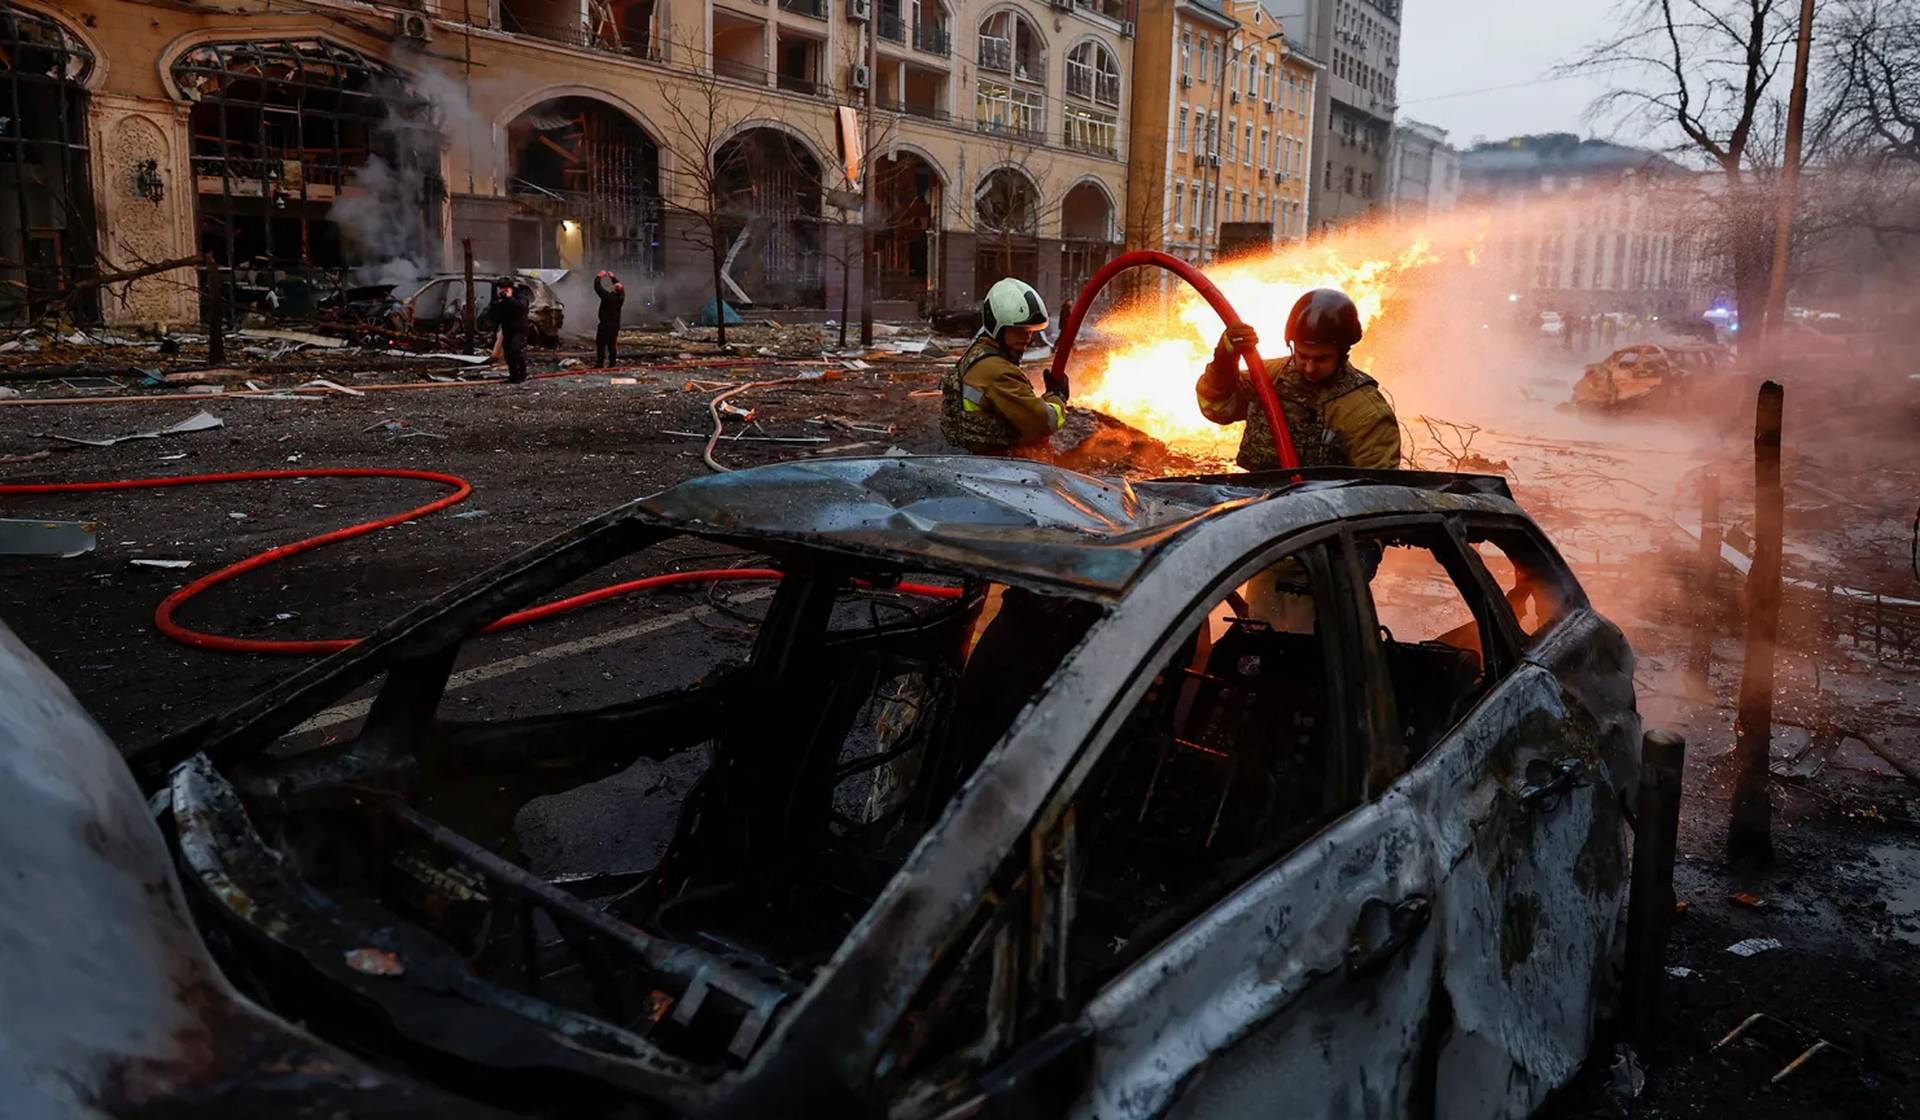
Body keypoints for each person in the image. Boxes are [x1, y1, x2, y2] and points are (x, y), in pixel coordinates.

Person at [1195, 288, 1400, 472]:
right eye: (1302, 355)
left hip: (1324, 512)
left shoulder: (1366, 412)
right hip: (1255, 502)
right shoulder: (1268, 376)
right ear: (1291, 345)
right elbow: (1216, 409)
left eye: (1321, 358)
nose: (1310, 367)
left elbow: (1375, 491)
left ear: (1342, 352)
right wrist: (1223, 361)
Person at [940, 277, 1066, 457]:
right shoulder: (998, 371)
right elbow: (1042, 423)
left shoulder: (977, 353)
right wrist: (1058, 396)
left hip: (969, 456)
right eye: (1019, 330)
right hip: (995, 462)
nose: (1027, 338)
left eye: (1029, 331)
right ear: (997, 326)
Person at [486, 278, 531, 384]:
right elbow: (495, 311)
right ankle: (513, 375)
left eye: (504, 289)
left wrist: (509, 298)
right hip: (507, 328)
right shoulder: (501, 298)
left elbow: (521, 307)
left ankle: (522, 375)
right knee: (508, 353)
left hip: (519, 328)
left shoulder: (519, 295)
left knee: (516, 350)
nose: (502, 292)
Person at [594, 270, 625, 368]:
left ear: (614, 289)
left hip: (605, 325)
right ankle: (612, 363)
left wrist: (599, 277)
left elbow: (597, 288)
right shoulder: (621, 297)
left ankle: (600, 363)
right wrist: (613, 277)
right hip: (615, 325)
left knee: (601, 344)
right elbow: (619, 287)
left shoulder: (607, 297)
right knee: (612, 345)